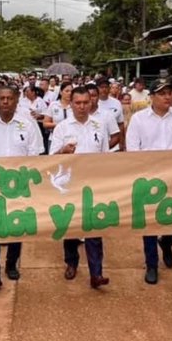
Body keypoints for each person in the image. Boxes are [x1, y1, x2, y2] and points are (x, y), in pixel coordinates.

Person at [125, 76, 172, 283]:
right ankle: (152, 264)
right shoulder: (139, 119)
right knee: (150, 223)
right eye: (162, 93)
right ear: (151, 97)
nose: (167, 97)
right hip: (148, 178)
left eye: (169, 93)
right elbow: (133, 149)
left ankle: (168, 242)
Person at [0, 84, 44, 287]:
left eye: (10, 98)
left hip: (19, 186)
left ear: (17, 100)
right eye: (2, 98)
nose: (5, 102)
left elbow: (35, 155)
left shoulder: (29, 124)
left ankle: (11, 264)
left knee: (17, 226)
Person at [49, 86, 111, 288]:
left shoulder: (99, 126)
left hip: (93, 184)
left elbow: (105, 156)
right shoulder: (62, 128)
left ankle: (96, 273)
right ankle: (71, 263)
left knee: (94, 227)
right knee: (71, 226)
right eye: (78, 103)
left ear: (91, 102)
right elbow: (50, 160)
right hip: (70, 184)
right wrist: (62, 151)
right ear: (71, 104)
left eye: (86, 102)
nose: (82, 106)